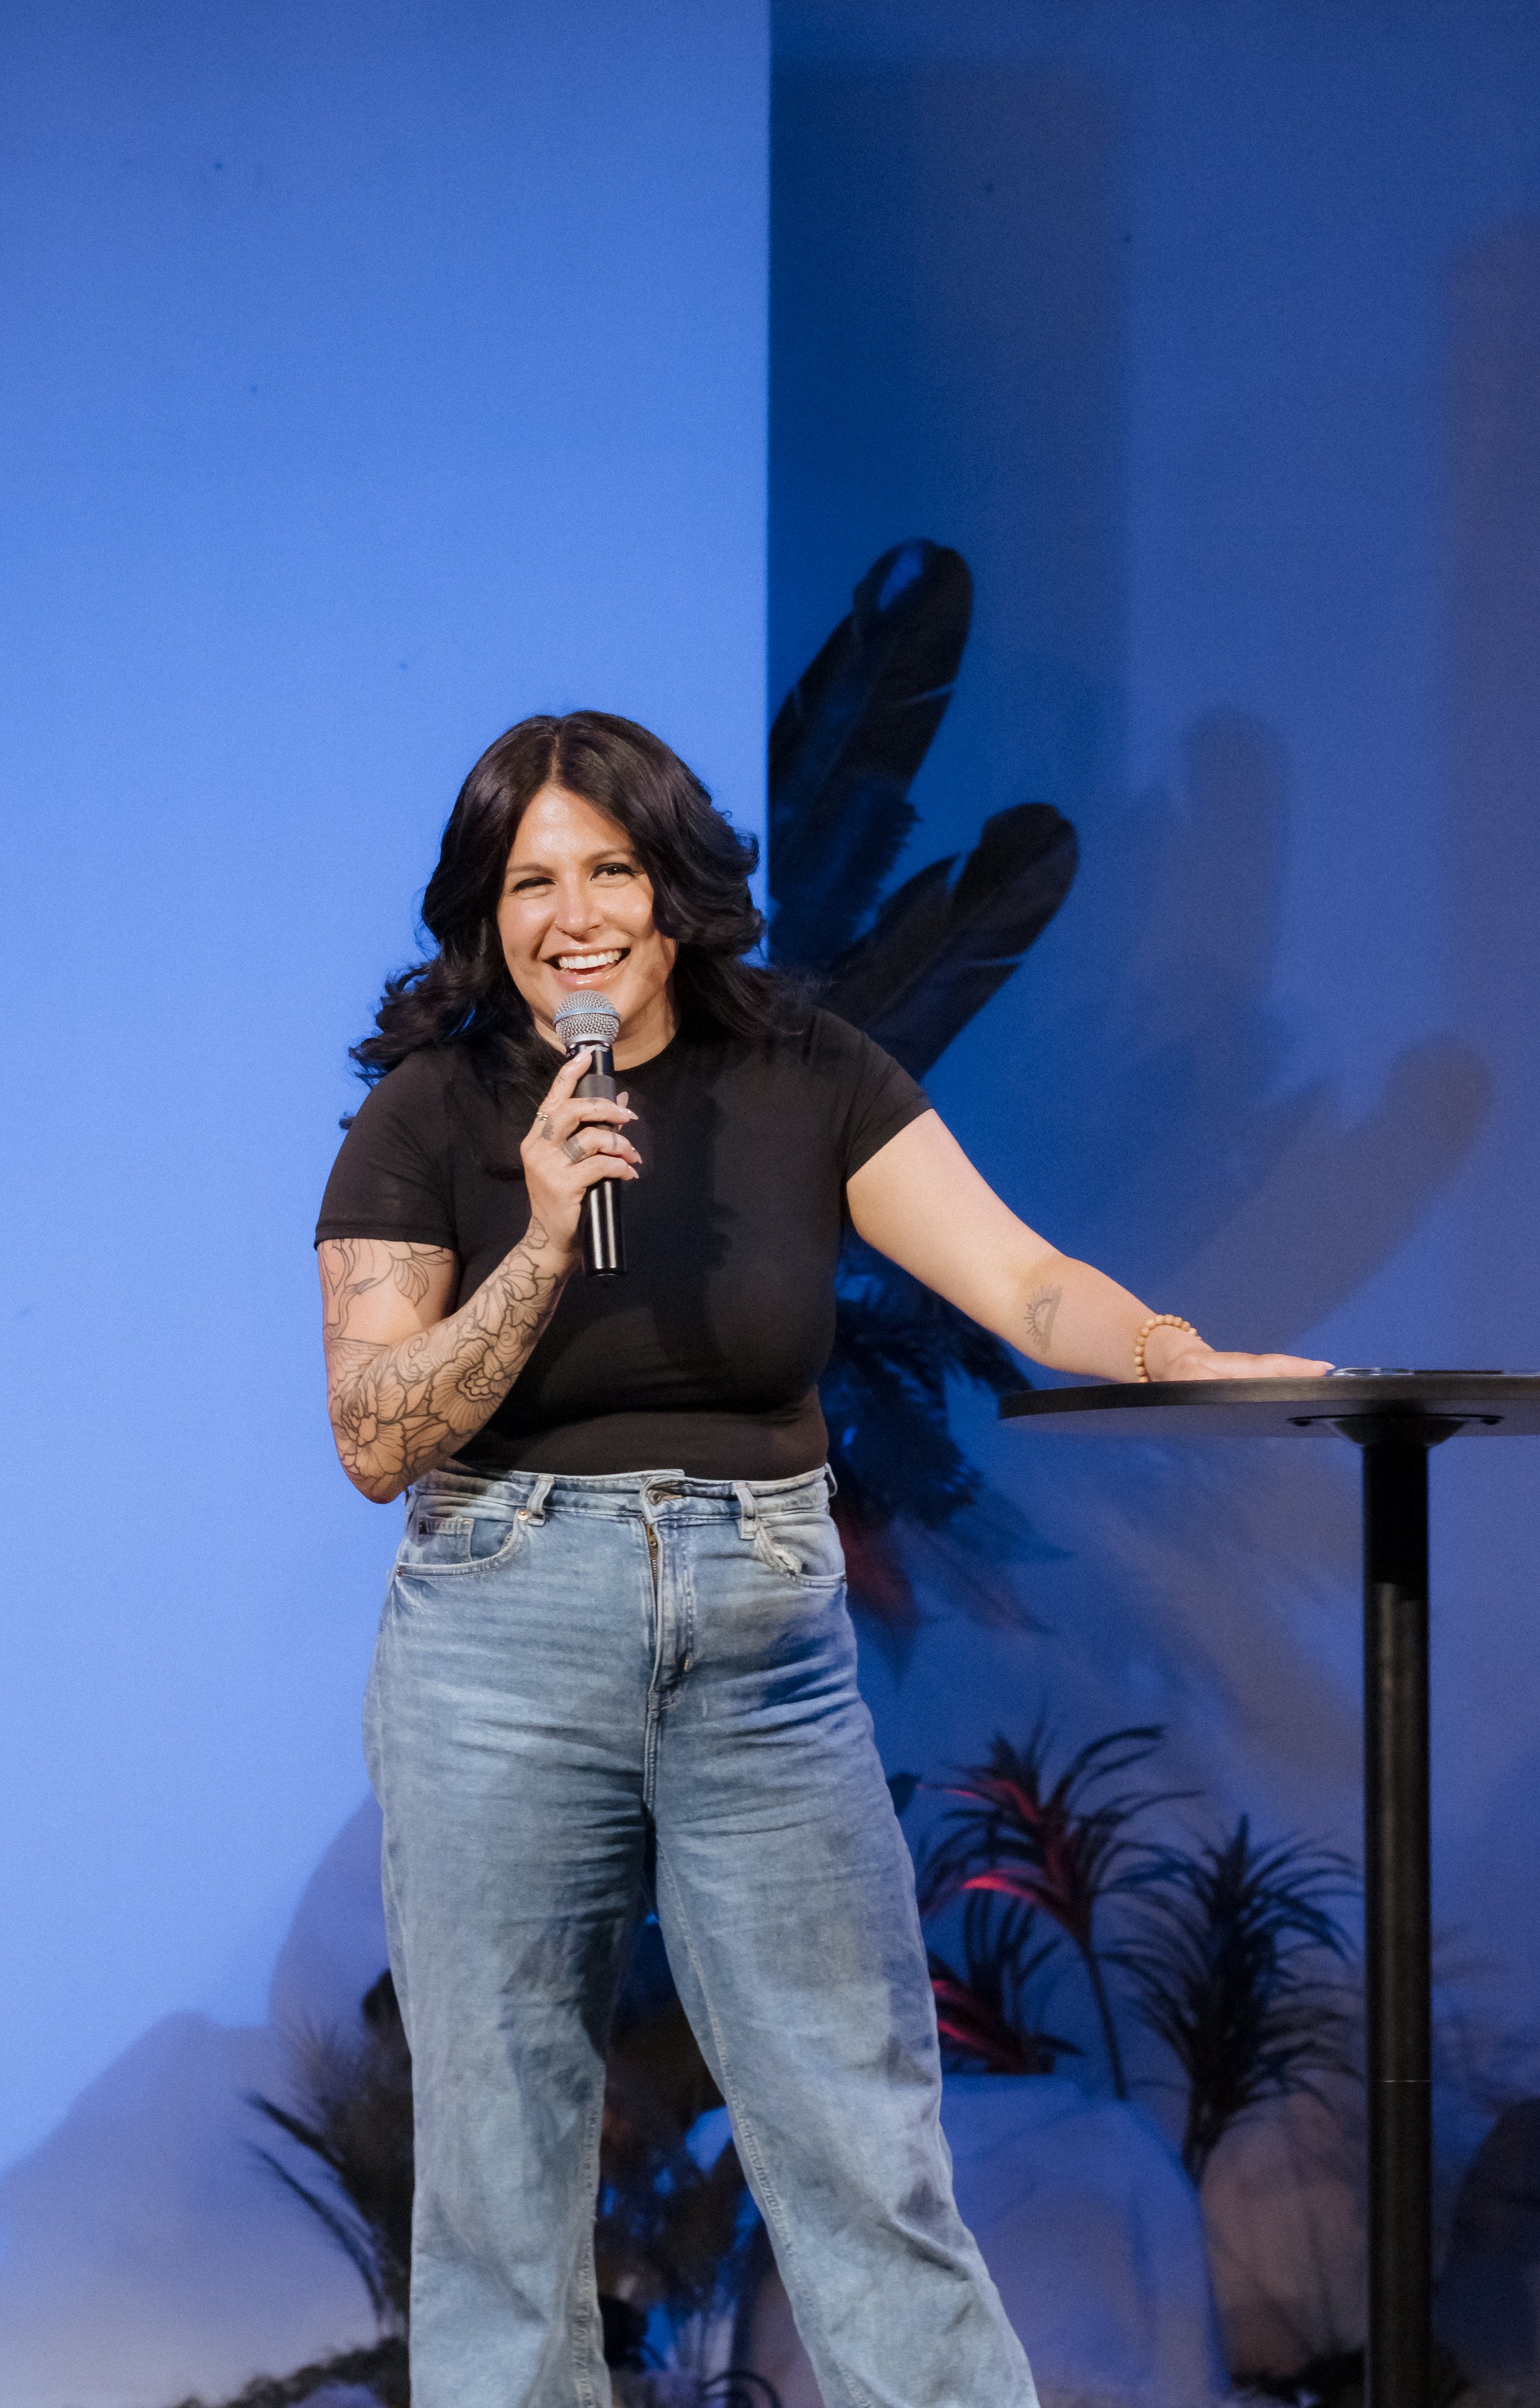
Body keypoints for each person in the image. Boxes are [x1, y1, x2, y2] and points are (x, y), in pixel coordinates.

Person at [316, 710, 1328, 2408]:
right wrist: (547, 1234)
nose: (572, 915)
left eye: (608, 870)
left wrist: (1166, 1349)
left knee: (858, 2137)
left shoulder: (807, 1071)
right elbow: (373, 1434)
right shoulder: (431, 1114)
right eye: (528, 881)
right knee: (501, 2175)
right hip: (502, 1631)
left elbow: (1017, 1283)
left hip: (758, 1640)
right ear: (486, 914)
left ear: (674, 886)